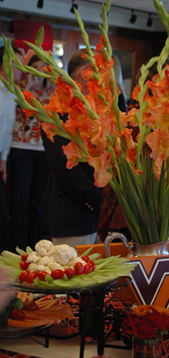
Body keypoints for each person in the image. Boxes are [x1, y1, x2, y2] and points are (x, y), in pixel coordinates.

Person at [40, 49, 103, 249]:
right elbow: (65, 169)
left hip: (98, 215)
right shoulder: (57, 112)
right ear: (84, 72)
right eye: (98, 71)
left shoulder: (95, 109)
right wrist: (101, 201)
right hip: (73, 216)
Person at [9, 54, 52, 251]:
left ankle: (36, 248)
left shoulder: (52, 93)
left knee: (39, 203)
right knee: (20, 202)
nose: (39, 72)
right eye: (35, 67)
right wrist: (26, 85)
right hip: (20, 149)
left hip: (44, 151)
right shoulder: (19, 89)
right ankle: (17, 248)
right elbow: (14, 110)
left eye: (43, 68)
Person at [0, 45, 23, 253]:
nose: (21, 69)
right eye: (16, 64)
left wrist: (4, 157)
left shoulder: (11, 92)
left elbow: (6, 129)